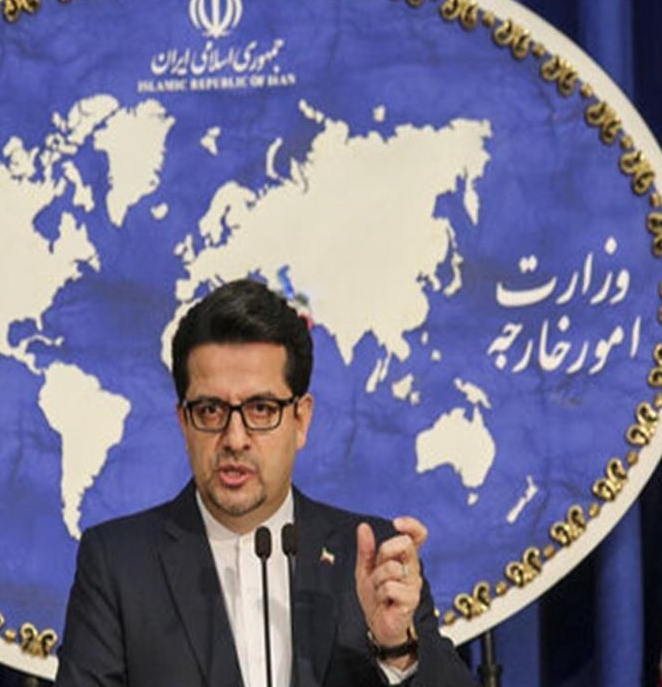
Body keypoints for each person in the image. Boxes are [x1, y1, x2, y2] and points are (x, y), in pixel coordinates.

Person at [56, 279, 474, 687]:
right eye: (210, 410)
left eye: (261, 408)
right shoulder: (119, 563)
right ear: (184, 422)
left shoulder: (369, 556)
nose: (235, 439)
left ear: (300, 420)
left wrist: (397, 648)